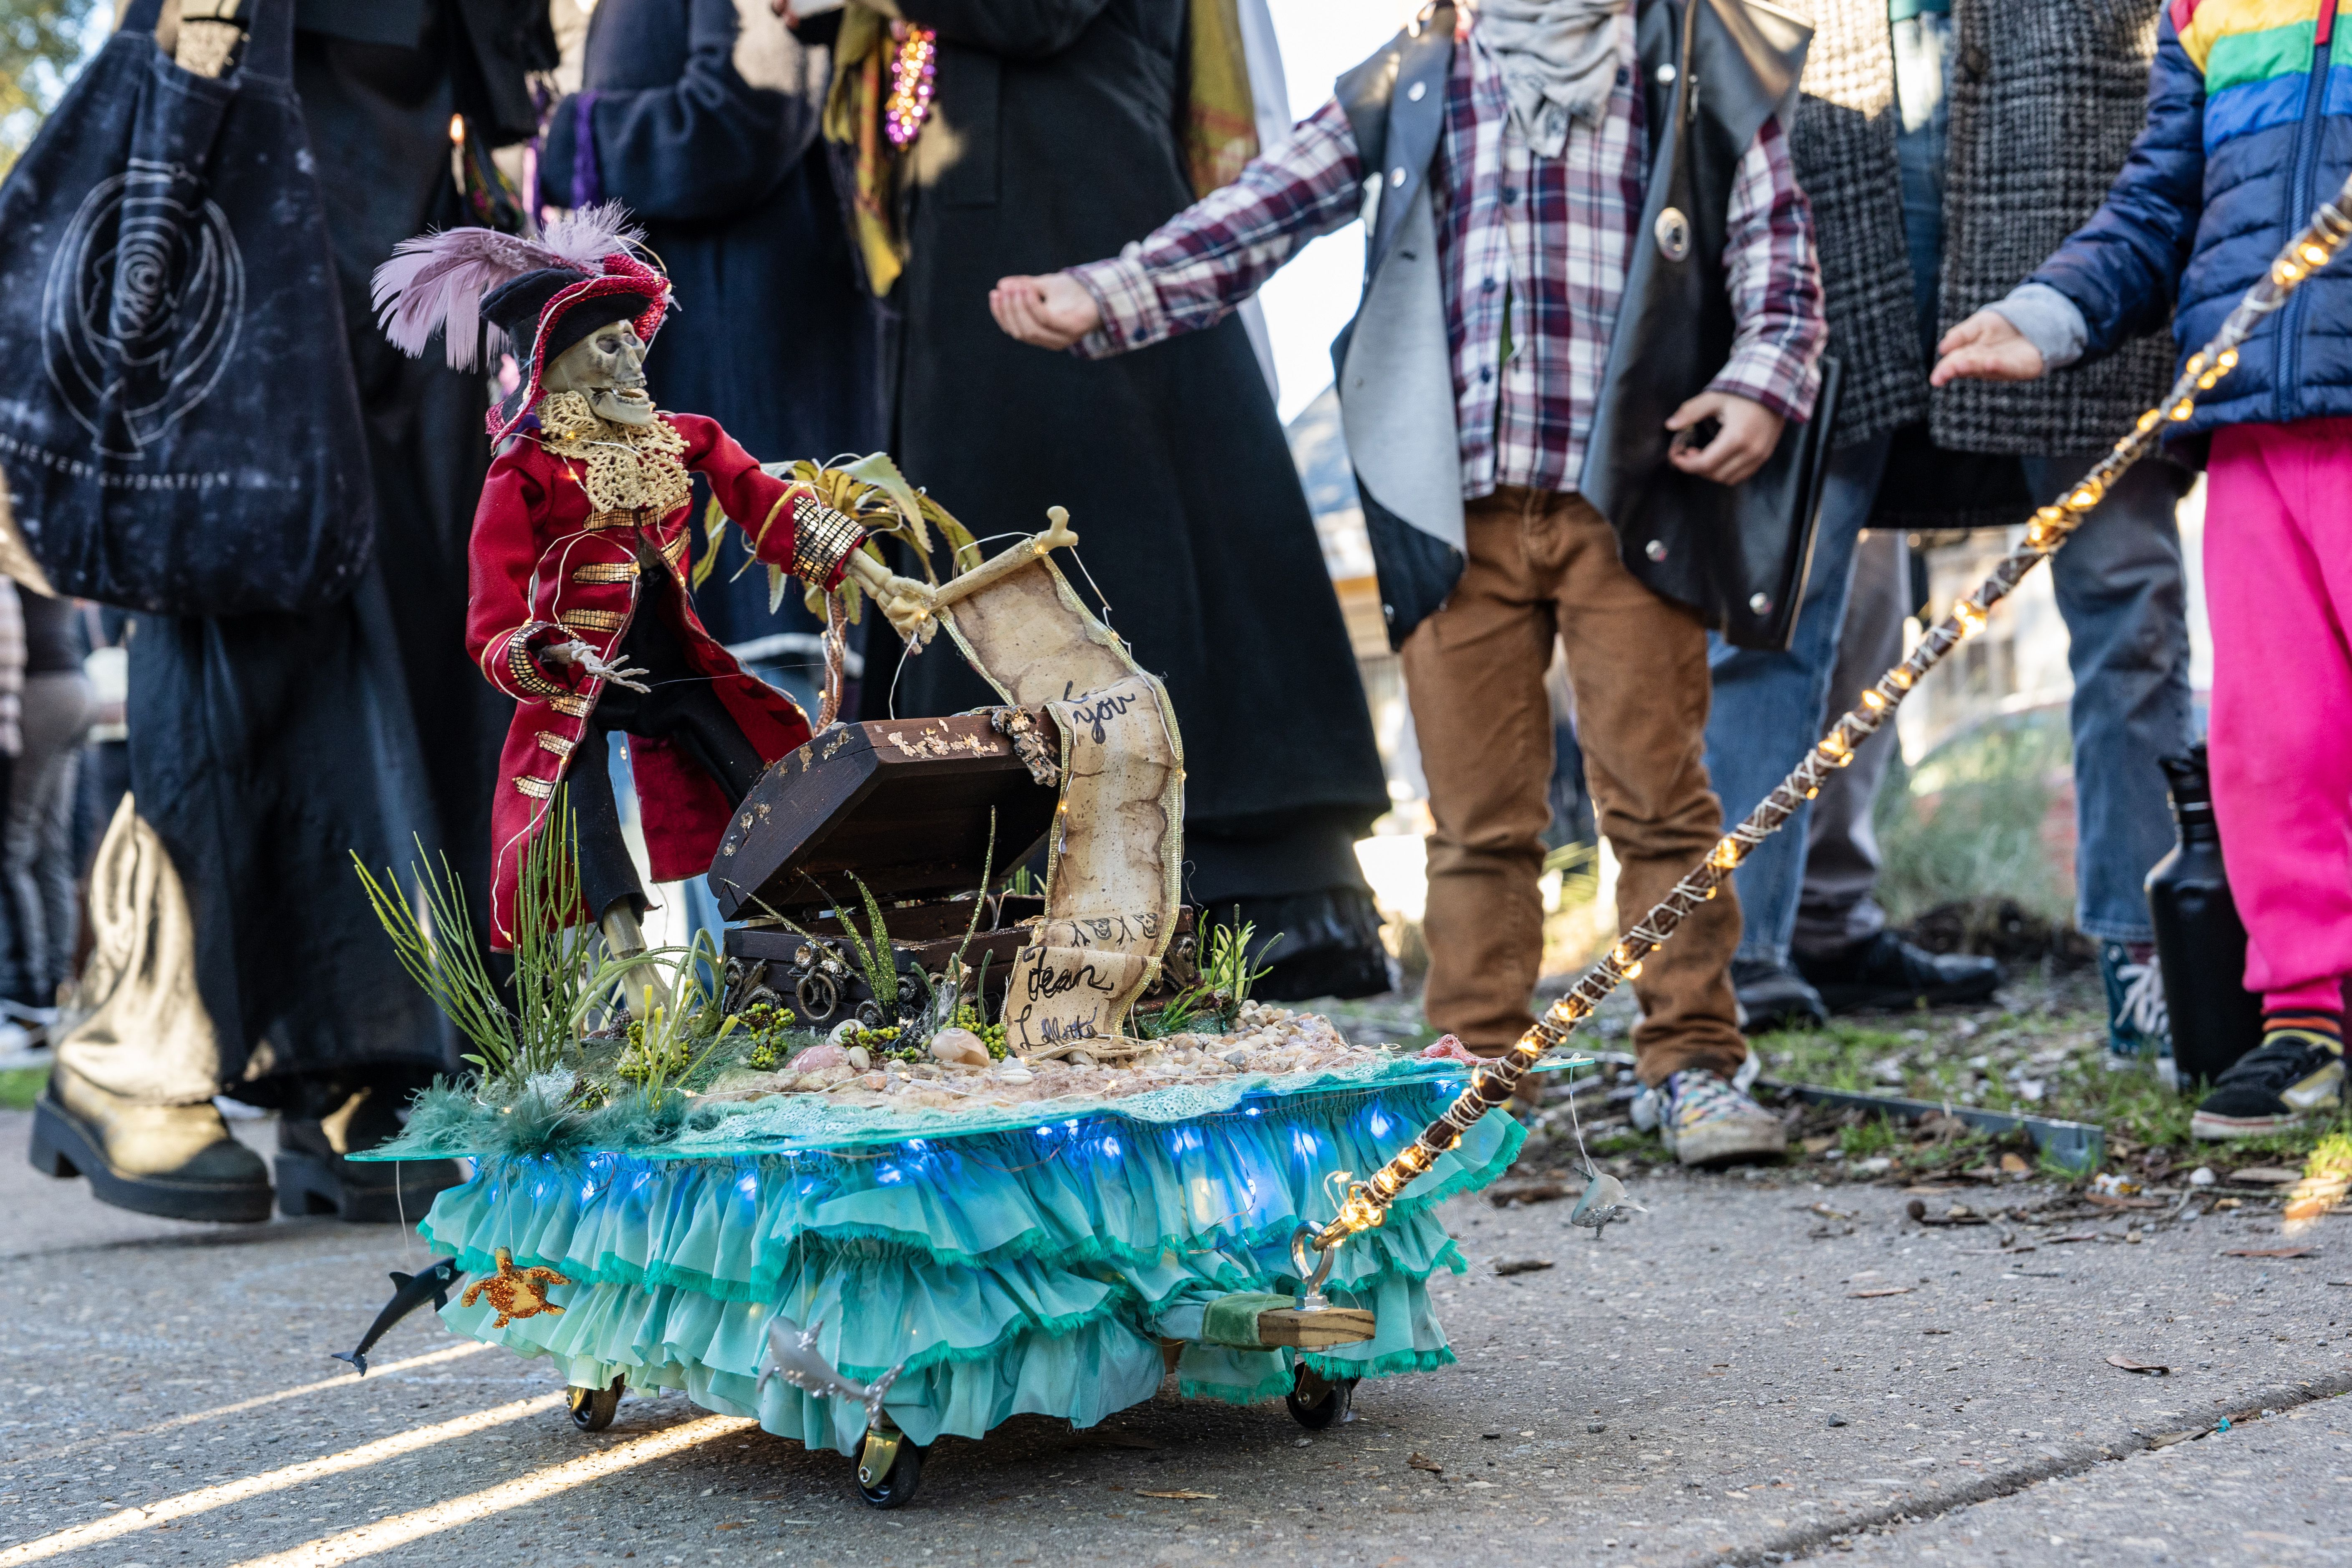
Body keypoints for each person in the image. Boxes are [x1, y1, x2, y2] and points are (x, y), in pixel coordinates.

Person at [992, 0, 1827, 1165]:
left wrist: (1760, 382)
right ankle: (1474, 1072)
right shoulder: (1421, 75)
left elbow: (1776, 255)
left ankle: (1691, 1060)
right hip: (1450, 509)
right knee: (1476, 816)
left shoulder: (1683, 63)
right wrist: (1112, 292)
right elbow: (1267, 204)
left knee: (1660, 802)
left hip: (1631, 500)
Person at [31, 0, 549, 1224]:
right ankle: (132, 1046)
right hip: (261, 94)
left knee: (406, 608)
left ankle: (359, 1057)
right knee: (255, 586)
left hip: (413, 122)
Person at [809, 0, 1397, 1002]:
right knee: (992, 589)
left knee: (1130, 566)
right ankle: (1003, 914)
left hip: (1084, 228)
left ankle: (1222, 910)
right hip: (975, 285)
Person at [1707, 0, 2191, 1051]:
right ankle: (1723, 969)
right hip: (1824, 237)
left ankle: (2151, 950)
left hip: (2079, 200)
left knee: (2131, 598)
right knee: (1768, 606)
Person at [1934, 0, 2350, 1138]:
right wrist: (2050, 311)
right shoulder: (2204, 12)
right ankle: (2306, 1015)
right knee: (2272, 743)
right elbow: (2157, 204)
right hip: (2251, 425)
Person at [536, 0, 886, 706]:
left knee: (772, 712)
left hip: (747, 351)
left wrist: (570, 132)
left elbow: (737, 122)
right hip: (691, 355)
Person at [2, 589, 94, 1011]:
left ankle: (24, 992)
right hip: (74, 686)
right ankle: (58, 984)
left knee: (11, 851)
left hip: (38, 692)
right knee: (50, 849)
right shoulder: (43, 552)